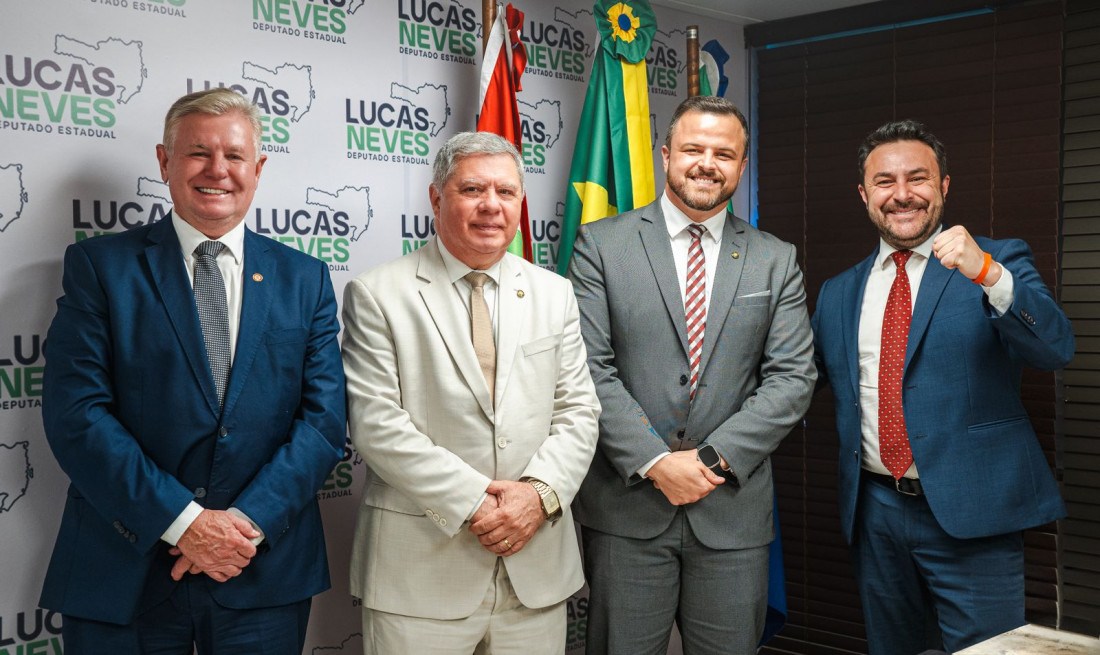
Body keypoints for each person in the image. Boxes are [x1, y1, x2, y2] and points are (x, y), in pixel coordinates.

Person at [39, 87, 347, 653]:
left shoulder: (306, 278)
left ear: (258, 168)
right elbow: (76, 415)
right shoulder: (100, 268)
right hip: (125, 571)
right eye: (198, 152)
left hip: (259, 571)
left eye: (234, 156)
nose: (217, 170)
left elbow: (324, 422)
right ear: (165, 161)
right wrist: (185, 523)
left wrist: (244, 526)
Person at [811, 119, 1075, 654]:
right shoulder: (838, 292)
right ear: (864, 194)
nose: (902, 194)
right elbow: (798, 383)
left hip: (975, 515)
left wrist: (988, 273)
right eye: (884, 182)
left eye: (918, 178)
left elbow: (1055, 347)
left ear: (944, 186)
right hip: (875, 515)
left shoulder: (997, 260)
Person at [568, 95, 816, 654]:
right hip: (628, 510)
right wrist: (656, 463)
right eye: (693, 149)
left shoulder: (775, 258)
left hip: (731, 512)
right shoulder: (601, 245)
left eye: (724, 154)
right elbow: (587, 368)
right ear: (666, 155)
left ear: (742, 166)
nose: (707, 164)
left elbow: (793, 378)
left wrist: (710, 460)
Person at [341, 131, 600, 654]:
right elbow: (376, 425)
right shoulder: (378, 293)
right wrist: (478, 506)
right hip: (420, 577)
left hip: (534, 573)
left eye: (506, 192)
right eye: (473, 189)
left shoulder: (554, 293)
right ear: (436, 198)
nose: (491, 206)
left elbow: (579, 411)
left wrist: (537, 496)